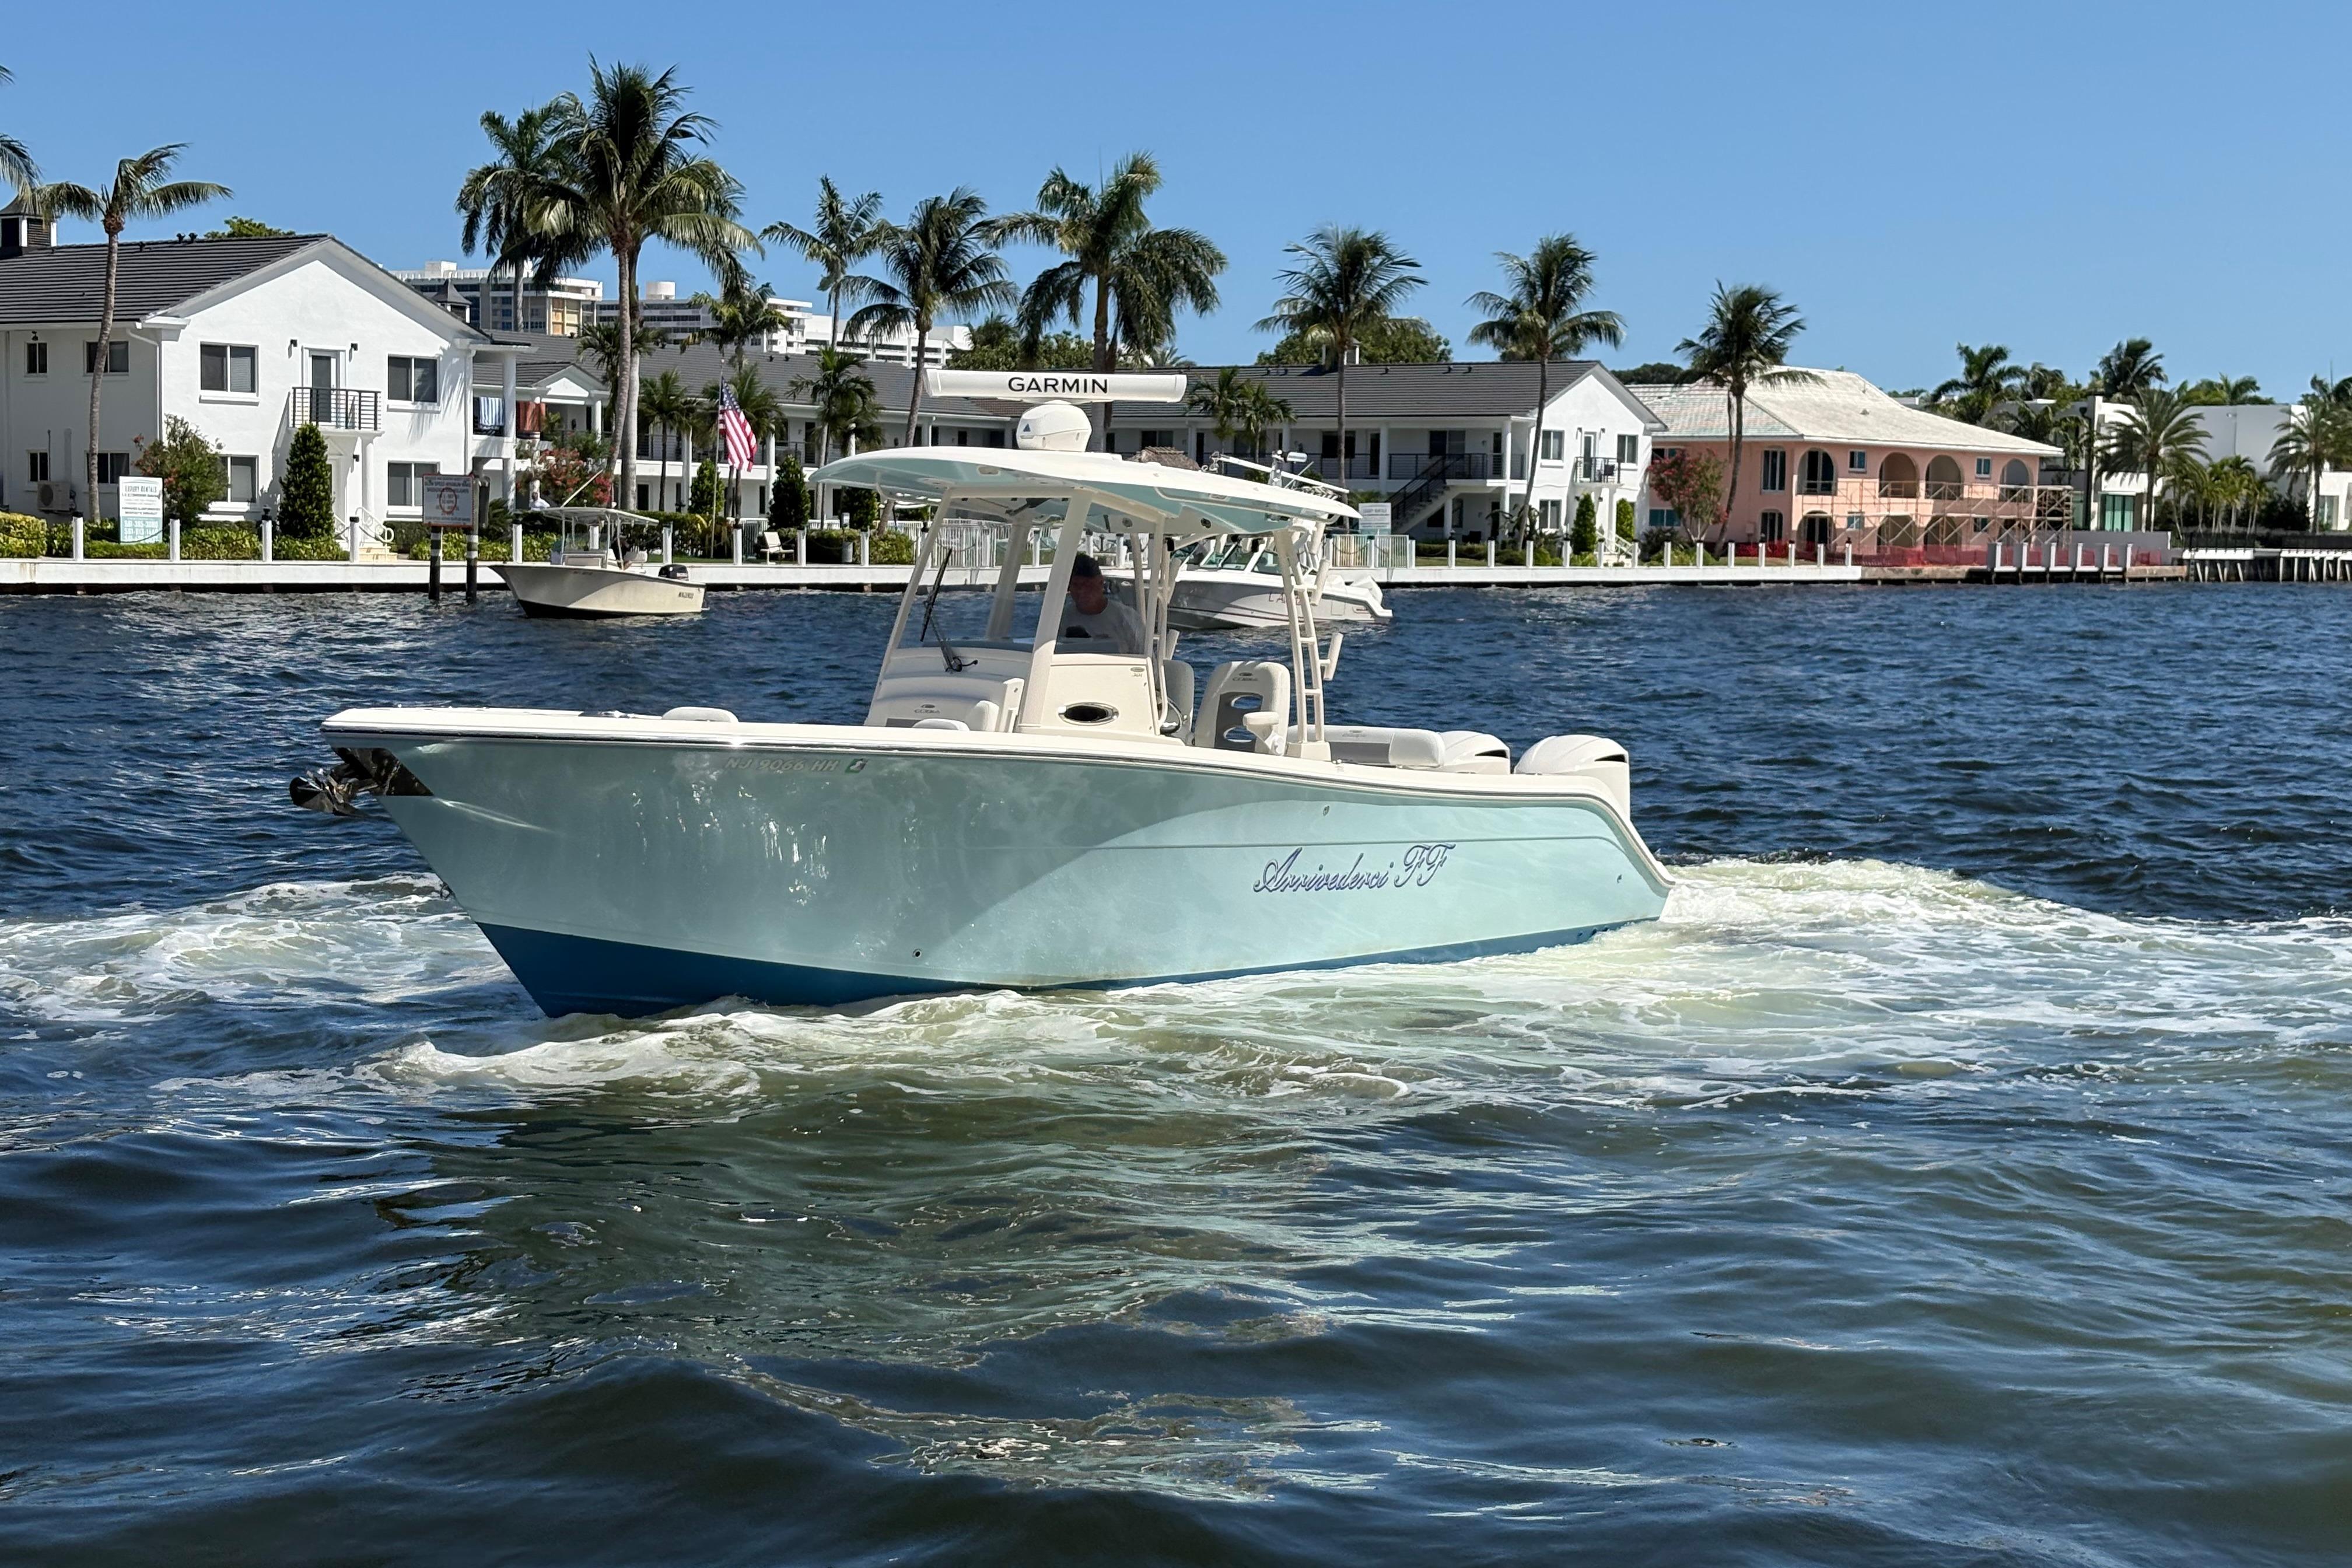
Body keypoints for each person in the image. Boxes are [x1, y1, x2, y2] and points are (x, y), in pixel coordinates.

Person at [1059, 552, 1146, 654]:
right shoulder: (1060, 619)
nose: (1082, 591)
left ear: (1101, 583)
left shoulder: (1127, 618)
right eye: (1076, 585)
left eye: (1088, 585)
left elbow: (1145, 658)